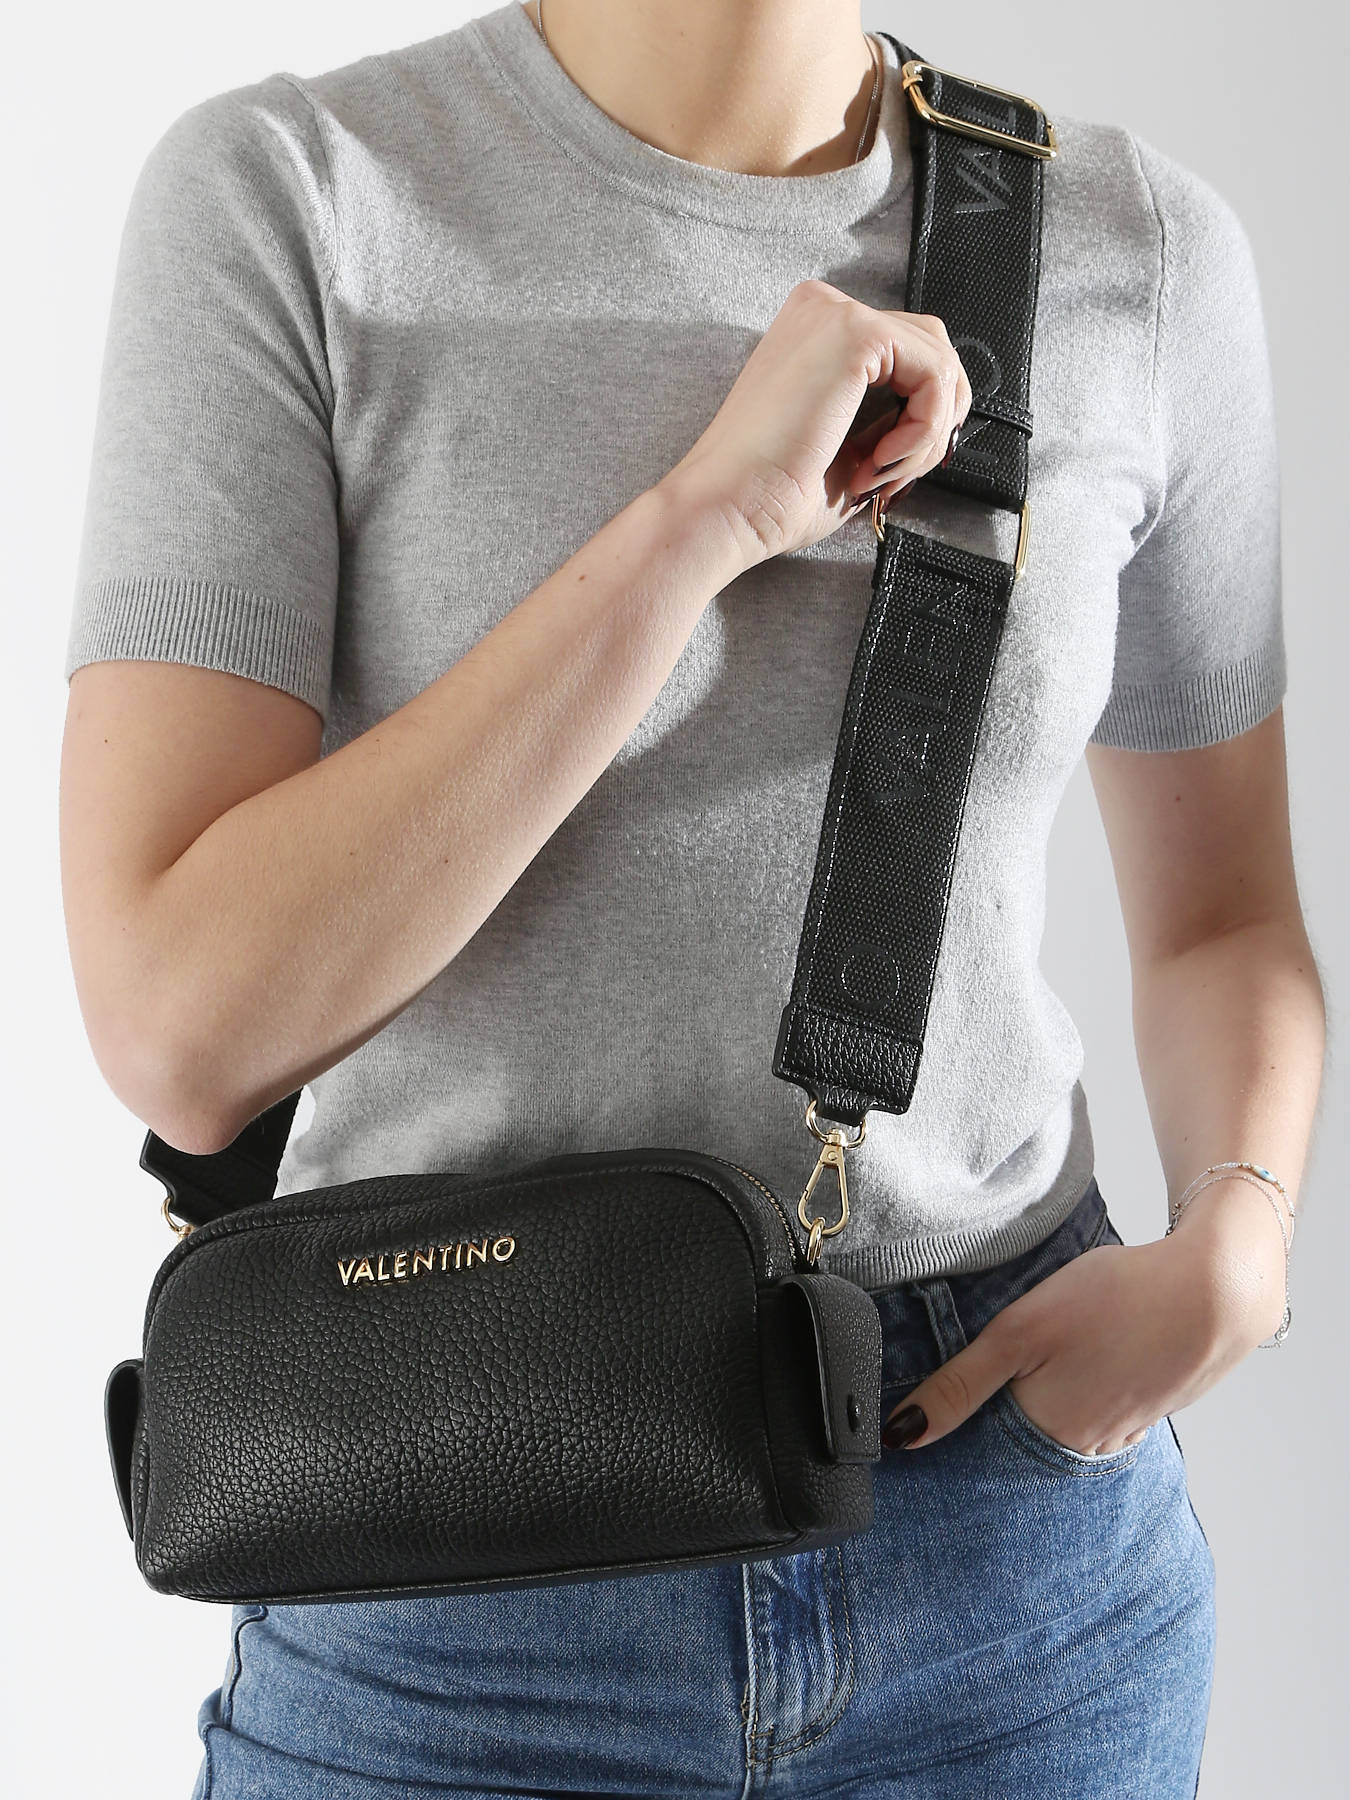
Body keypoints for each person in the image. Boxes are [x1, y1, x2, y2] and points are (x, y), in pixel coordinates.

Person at [58, 2, 1325, 1794]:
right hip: (448, 1554)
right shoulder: (299, 195)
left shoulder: (1131, 245)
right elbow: (182, 1030)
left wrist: (1239, 1244)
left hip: (1007, 1532)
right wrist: (702, 522)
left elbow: (1221, 918)